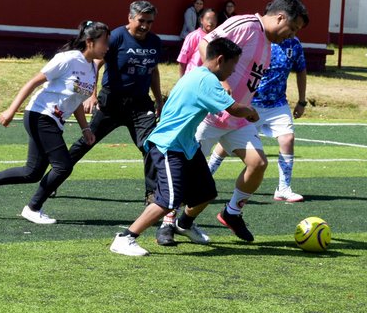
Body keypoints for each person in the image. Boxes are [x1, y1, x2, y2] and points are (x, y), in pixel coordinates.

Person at [110, 37, 259, 256]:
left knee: (207, 192)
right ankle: (125, 238)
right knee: (169, 200)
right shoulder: (205, 80)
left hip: (186, 146)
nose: (233, 71)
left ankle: (185, 225)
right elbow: (235, 110)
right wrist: (251, 111)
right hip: (169, 146)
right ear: (220, 60)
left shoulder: (200, 75)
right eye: (233, 65)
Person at [195, 0, 307, 243]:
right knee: (190, 171)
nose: (292, 35)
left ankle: (232, 213)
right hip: (208, 113)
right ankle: (171, 222)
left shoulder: (268, 45)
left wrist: (247, 109)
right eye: (293, 28)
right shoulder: (246, 24)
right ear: (280, 17)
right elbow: (206, 43)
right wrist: (220, 80)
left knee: (258, 163)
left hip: (237, 118)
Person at [0, 21, 107, 224]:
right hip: (40, 115)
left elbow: (76, 100)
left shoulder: (92, 68)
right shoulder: (67, 59)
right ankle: (33, 208)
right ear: (90, 42)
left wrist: (85, 127)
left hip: (53, 120)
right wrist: (10, 110)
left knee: (32, 172)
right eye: (104, 42)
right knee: (63, 166)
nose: (107, 47)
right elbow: (33, 82)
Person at [51, 1, 163, 203]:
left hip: (140, 105)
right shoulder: (117, 37)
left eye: (150, 22)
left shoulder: (155, 42)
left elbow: (153, 71)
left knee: (150, 145)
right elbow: (96, 63)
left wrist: (159, 100)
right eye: (141, 21)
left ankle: (152, 194)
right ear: (130, 18)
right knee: (86, 141)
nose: (145, 26)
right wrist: (92, 95)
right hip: (111, 102)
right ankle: (53, 180)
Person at [214, 35, 309, 203]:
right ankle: (205, 177)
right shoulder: (258, 40)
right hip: (251, 101)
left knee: (288, 139)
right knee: (226, 143)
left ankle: (283, 188)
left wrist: (301, 101)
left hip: (278, 103)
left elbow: (301, 70)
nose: (292, 29)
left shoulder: (294, 43)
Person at [177, 7, 218, 76]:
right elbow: (182, 60)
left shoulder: (217, 38)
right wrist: (182, 79)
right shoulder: (193, 36)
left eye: (213, 19)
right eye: (208, 19)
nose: (210, 22)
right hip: (193, 76)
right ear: (201, 20)